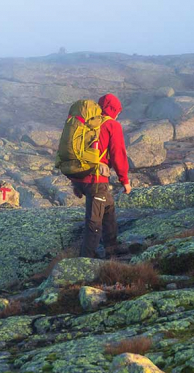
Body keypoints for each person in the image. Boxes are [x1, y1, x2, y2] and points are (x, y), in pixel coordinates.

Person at [69, 93, 131, 258]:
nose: (118, 114)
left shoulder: (87, 124)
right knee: (94, 223)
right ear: (113, 110)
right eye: (117, 111)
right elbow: (118, 154)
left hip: (81, 177)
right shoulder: (112, 125)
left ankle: (111, 248)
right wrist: (124, 180)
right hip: (96, 180)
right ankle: (86, 261)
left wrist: (75, 183)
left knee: (109, 207)